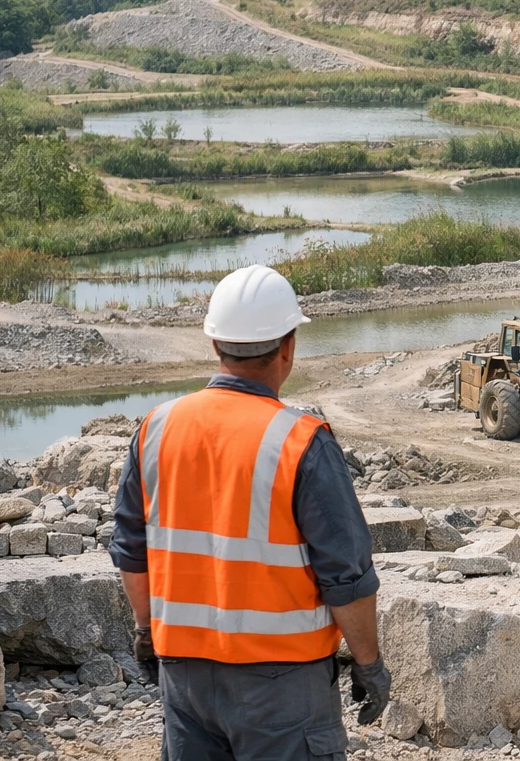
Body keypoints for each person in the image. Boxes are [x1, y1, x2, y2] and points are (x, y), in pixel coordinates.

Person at [109, 264, 389, 760]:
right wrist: (367, 663)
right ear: (288, 348)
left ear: (214, 345)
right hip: (283, 685)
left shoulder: (157, 428)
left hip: (185, 676)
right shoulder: (301, 442)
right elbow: (345, 573)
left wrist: (144, 629)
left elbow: (132, 550)